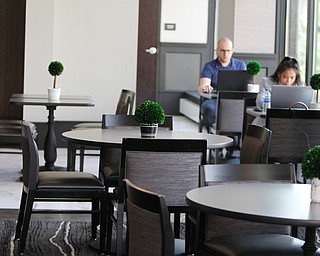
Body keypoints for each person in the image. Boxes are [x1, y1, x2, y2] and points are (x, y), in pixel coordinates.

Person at [198, 37, 246, 132]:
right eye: (223, 50)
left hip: (235, 101)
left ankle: (236, 140)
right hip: (215, 100)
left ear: (232, 51)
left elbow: (245, 86)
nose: (225, 54)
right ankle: (219, 131)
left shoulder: (240, 65)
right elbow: (203, 85)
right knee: (209, 109)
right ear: (217, 50)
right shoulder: (209, 66)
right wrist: (205, 87)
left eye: (228, 51)